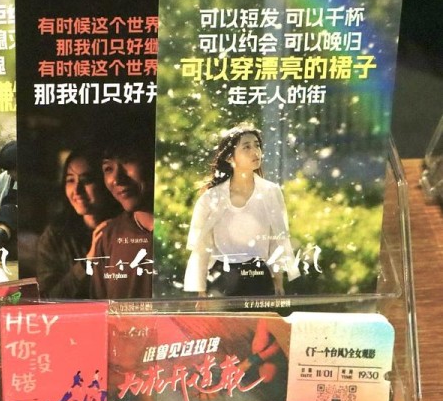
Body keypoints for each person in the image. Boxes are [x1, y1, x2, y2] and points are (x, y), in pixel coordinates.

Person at [183, 122, 299, 297]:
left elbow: (277, 240)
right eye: (246, 147)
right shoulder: (211, 197)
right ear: (230, 157)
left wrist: (278, 282)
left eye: (257, 145)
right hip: (221, 278)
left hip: (259, 276)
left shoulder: (271, 192)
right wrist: (201, 291)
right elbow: (202, 247)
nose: (255, 152)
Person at [36, 149, 120, 299]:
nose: (77, 190)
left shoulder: (126, 229)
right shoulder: (55, 236)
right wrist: (87, 262)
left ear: (104, 182)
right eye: (70, 180)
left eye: (86, 180)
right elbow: (46, 298)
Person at [89, 138, 155, 300]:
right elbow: (100, 307)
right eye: (108, 168)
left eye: (127, 161)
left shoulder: (188, 229)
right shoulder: (108, 237)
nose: (117, 179)